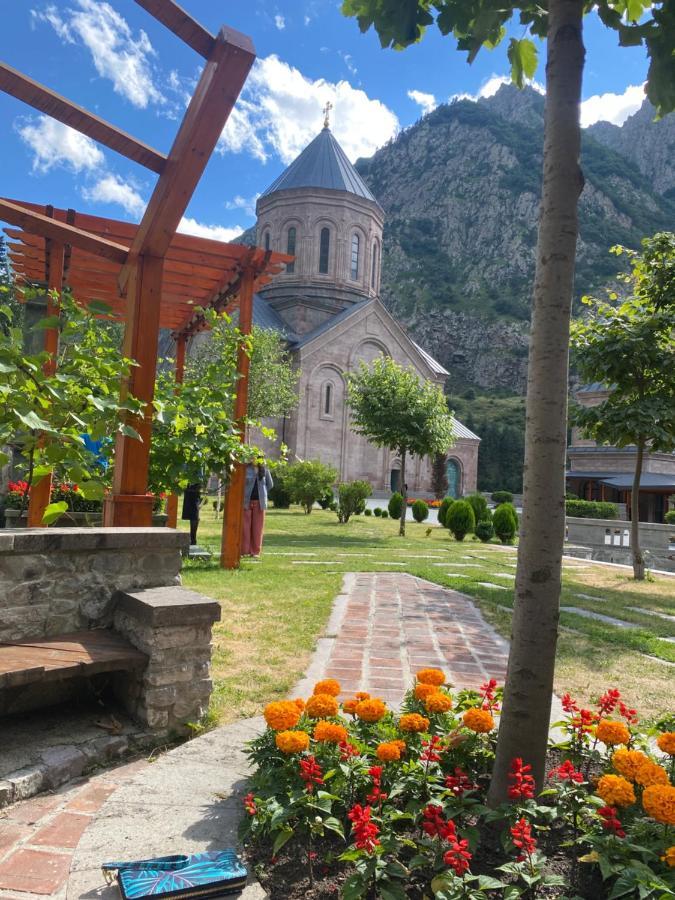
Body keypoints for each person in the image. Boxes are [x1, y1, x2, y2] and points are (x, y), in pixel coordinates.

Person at [242, 461, 273, 558]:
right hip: (246, 502)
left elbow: (270, 484)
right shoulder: (245, 469)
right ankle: (243, 551)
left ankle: (255, 552)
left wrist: (263, 494)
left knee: (257, 529)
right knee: (245, 528)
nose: (254, 459)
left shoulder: (265, 469)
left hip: (259, 503)